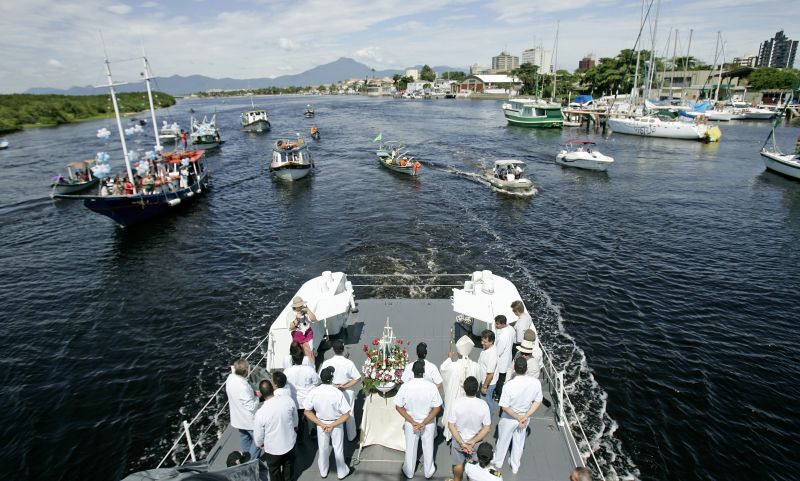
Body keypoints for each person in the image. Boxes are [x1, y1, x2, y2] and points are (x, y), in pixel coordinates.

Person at [395, 360, 443, 479]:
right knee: (428, 448)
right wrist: (424, 423)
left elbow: (398, 407)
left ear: (412, 372)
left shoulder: (405, 386)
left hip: (411, 423)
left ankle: (409, 471)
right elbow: (437, 408)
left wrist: (413, 422)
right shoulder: (431, 387)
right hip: (428, 423)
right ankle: (429, 471)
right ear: (423, 372)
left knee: (410, 448)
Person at [494, 357, 543, 473]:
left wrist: (517, 417)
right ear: (526, 369)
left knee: (503, 440)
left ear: (515, 369)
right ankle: (515, 466)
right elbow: (538, 401)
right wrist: (525, 416)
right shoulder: (535, 383)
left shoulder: (508, 385)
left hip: (509, 418)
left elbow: (504, 406)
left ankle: (499, 462)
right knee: (519, 442)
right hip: (524, 418)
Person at [304, 366, 352, 480]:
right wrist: (332, 425)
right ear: (332, 378)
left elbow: (307, 411)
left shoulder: (314, 392)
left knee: (323, 448)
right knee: (338, 449)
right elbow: (346, 414)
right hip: (336, 424)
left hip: (321, 424)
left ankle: (323, 471)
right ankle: (341, 472)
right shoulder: (337, 393)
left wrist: (321, 424)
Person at [448, 376, 491, 481]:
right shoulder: (483, 405)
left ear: (464, 388)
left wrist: (462, 443)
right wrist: (472, 442)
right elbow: (486, 428)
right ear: (477, 389)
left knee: (458, 464)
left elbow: (451, 425)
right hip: (475, 444)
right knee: (474, 467)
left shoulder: (456, 403)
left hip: (459, 441)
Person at [254, 380, 297, 481]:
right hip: (289, 443)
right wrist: (294, 428)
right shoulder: (287, 400)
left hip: (272, 449)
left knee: (274, 470)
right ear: (273, 389)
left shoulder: (260, 413)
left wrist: (260, 444)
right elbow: (295, 420)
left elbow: (258, 437)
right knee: (289, 465)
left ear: (261, 394)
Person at [440, 335, 481, 441]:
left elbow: (443, 369)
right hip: (469, 397)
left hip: (455, 397)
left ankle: (452, 435)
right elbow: (480, 378)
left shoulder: (452, 366)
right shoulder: (475, 366)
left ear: (458, 352)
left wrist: (449, 358)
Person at [319, 339, 361, 442]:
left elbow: (321, 377)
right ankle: (352, 436)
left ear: (333, 350)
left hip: (331, 391)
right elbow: (357, 378)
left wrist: (334, 386)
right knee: (349, 413)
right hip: (346, 391)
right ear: (343, 350)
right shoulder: (348, 363)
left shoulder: (327, 362)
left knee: (333, 413)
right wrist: (344, 387)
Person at [224, 358, 261, 461]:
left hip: (237, 419)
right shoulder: (244, 386)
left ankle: (246, 456)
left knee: (244, 438)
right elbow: (252, 407)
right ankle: (250, 461)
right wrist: (257, 397)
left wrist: (252, 393)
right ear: (246, 371)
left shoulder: (230, 378)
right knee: (259, 441)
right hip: (248, 421)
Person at [284, 349, 320, 443]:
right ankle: (313, 434)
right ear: (303, 358)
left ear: (292, 359)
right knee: (310, 417)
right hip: (307, 399)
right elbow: (316, 382)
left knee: (298, 420)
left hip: (295, 400)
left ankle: (299, 439)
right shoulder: (309, 370)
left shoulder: (287, 372)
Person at [288, 296, 317, 365]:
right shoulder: (290, 314)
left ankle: (312, 366)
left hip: (308, 335)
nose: (301, 306)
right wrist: (297, 319)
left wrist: (308, 310)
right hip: (298, 337)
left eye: (301, 305)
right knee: (299, 354)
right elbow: (291, 327)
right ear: (295, 306)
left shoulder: (306, 312)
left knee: (310, 352)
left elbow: (314, 319)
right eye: (299, 305)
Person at [493, 315, 515, 401]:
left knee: (500, 380)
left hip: (502, 362)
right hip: (508, 358)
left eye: (497, 324)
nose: (496, 325)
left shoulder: (503, 336)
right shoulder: (511, 329)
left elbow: (499, 351)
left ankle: (499, 396)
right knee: (505, 378)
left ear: (502, 324)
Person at [477, 330, 498, 414]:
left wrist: (484, 386)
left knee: (487, 404)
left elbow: (490, 374)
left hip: (488, 383)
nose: (482, 343)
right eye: (482, 340)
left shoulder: (492, 354)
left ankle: (487, 422)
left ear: (491, 341)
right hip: (484, 380)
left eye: (485, 342)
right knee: (487, 401)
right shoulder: (487, 348)